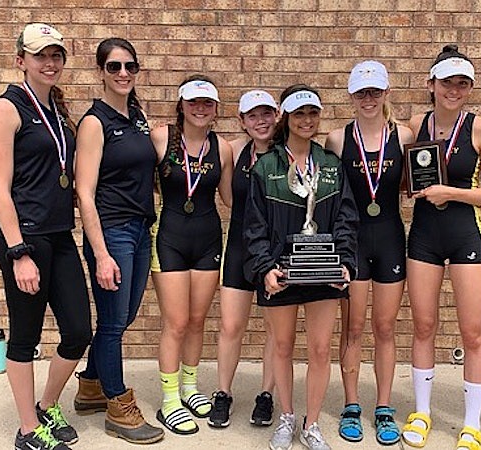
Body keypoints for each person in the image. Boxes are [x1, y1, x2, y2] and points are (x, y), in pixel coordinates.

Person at [0, 23, 92, 450]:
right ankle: (28, 430)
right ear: (20, 61)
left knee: (78, 332)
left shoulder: (56, 111)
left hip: (59, 235)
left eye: (56, 55)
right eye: (40, 55)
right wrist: (18, 253)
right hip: (23, 238)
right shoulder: (6, 108)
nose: (50, 62)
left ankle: (46, 406)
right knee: (25, 337)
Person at [402, 45, 481, 450]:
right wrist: (414, 189)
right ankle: (423, 412)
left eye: (462, 83)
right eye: (447, 82)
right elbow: (404, 179)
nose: (454, 90)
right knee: (423, 326)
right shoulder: (415, 125)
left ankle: (471, 423)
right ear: (431, 84)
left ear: (469, 88)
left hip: (467, 236)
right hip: (425, 235)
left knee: (473, 332)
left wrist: (451, 193)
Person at [244, 84, 358, 450]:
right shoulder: (266, 167)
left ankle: (311, 424)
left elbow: (345, 218)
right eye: (299, 114)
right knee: (281, 345)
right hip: (282, 272)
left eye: (313, 113)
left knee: (321, 349)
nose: (307, 120)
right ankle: (287, 416)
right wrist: (265, 268)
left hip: (322, 272)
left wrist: (344, 262)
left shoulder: (331, 165)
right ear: (286, 119)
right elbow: (255, 225)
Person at [73, 38, 164, 444]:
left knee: (122, 317)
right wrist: (101, 252)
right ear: (101, 72)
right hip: (113, 232)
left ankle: (91, 383)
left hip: (141, 230)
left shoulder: (137, 117)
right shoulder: (95, 122)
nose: (123, 73)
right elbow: (84, 192)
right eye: (114, 67)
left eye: (130, 66)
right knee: (112, 323)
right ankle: (117, 403)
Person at [325, 60, 413, 446]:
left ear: (386, 93)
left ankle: (383, 407)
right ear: (351, 96)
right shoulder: (337, 139)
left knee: (385, 328)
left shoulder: (405, 136)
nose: (368, 98)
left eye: (375, 91)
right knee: (354, 328)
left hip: (391, 236)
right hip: (353, 241)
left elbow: (417, 186)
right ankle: (350, 405)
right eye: (361, 92)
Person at [150, 75, 233, 435]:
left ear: (216, 109)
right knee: (176, 322)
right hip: (169, 237)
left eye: (207, 103)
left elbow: (230, 199)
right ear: (181, 105)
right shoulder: (161, 137)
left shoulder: (224, 148)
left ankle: (189, 388)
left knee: (198, 320)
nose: (200, 109)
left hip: (208, 239)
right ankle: (169, 400)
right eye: (193, 102)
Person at [208, 90, 278, 429]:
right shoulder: (233, 151)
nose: (260, 121)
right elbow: (227, 197)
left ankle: (266, 395)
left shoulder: (288, 154)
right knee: (230, 325)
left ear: (277, 116)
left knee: (274, 330)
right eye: (253, 115)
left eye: (266, 113)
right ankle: (223, 393)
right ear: (242, 121)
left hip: (276, 252)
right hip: (239, 246)